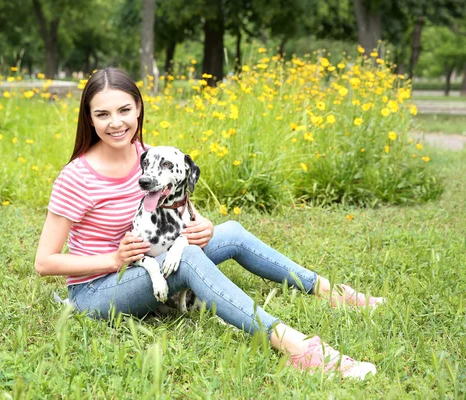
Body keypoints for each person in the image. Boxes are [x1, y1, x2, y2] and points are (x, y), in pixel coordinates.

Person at [34, 67, 385, 380]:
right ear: (89, 119)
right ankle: (298, 348)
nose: (116, 122)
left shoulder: (148, 154)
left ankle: (330, 291)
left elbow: (179, 205)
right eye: (103, 114)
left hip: (149, 261)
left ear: (139, 109)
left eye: (125, 110)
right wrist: (112, 260)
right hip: (97, 290)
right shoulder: (77, 176)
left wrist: (203, 224)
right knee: (186, 260)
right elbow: (45, 262)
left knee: (230, 231)